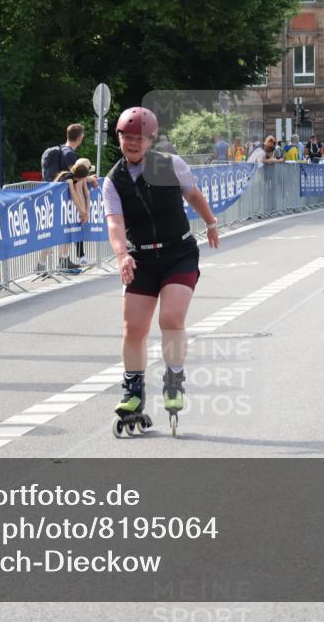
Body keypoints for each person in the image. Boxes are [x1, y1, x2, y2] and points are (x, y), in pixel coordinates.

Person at [103, 106, 220, 437]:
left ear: (151, 140)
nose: (132, 144)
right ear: (119, 139)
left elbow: (194, 195)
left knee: (170, 318)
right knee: (133, 328)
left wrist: (210, 223)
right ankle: (133, 392)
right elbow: (114, 223)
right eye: (126, 137)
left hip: (178, 254)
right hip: (140, 258)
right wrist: (122, 255)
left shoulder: (171, 165)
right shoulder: (113, 181)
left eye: (138, 138)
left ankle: (173, 378)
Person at [40, 124, 90, 271]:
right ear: (80, 137)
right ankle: (53, 262)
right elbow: (76, 184)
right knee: (58, 231)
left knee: (58, 231)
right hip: (62, 201)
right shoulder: (69, 155)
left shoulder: (63, 150)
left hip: (54, 198)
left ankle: (51, 262)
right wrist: (82, 210)